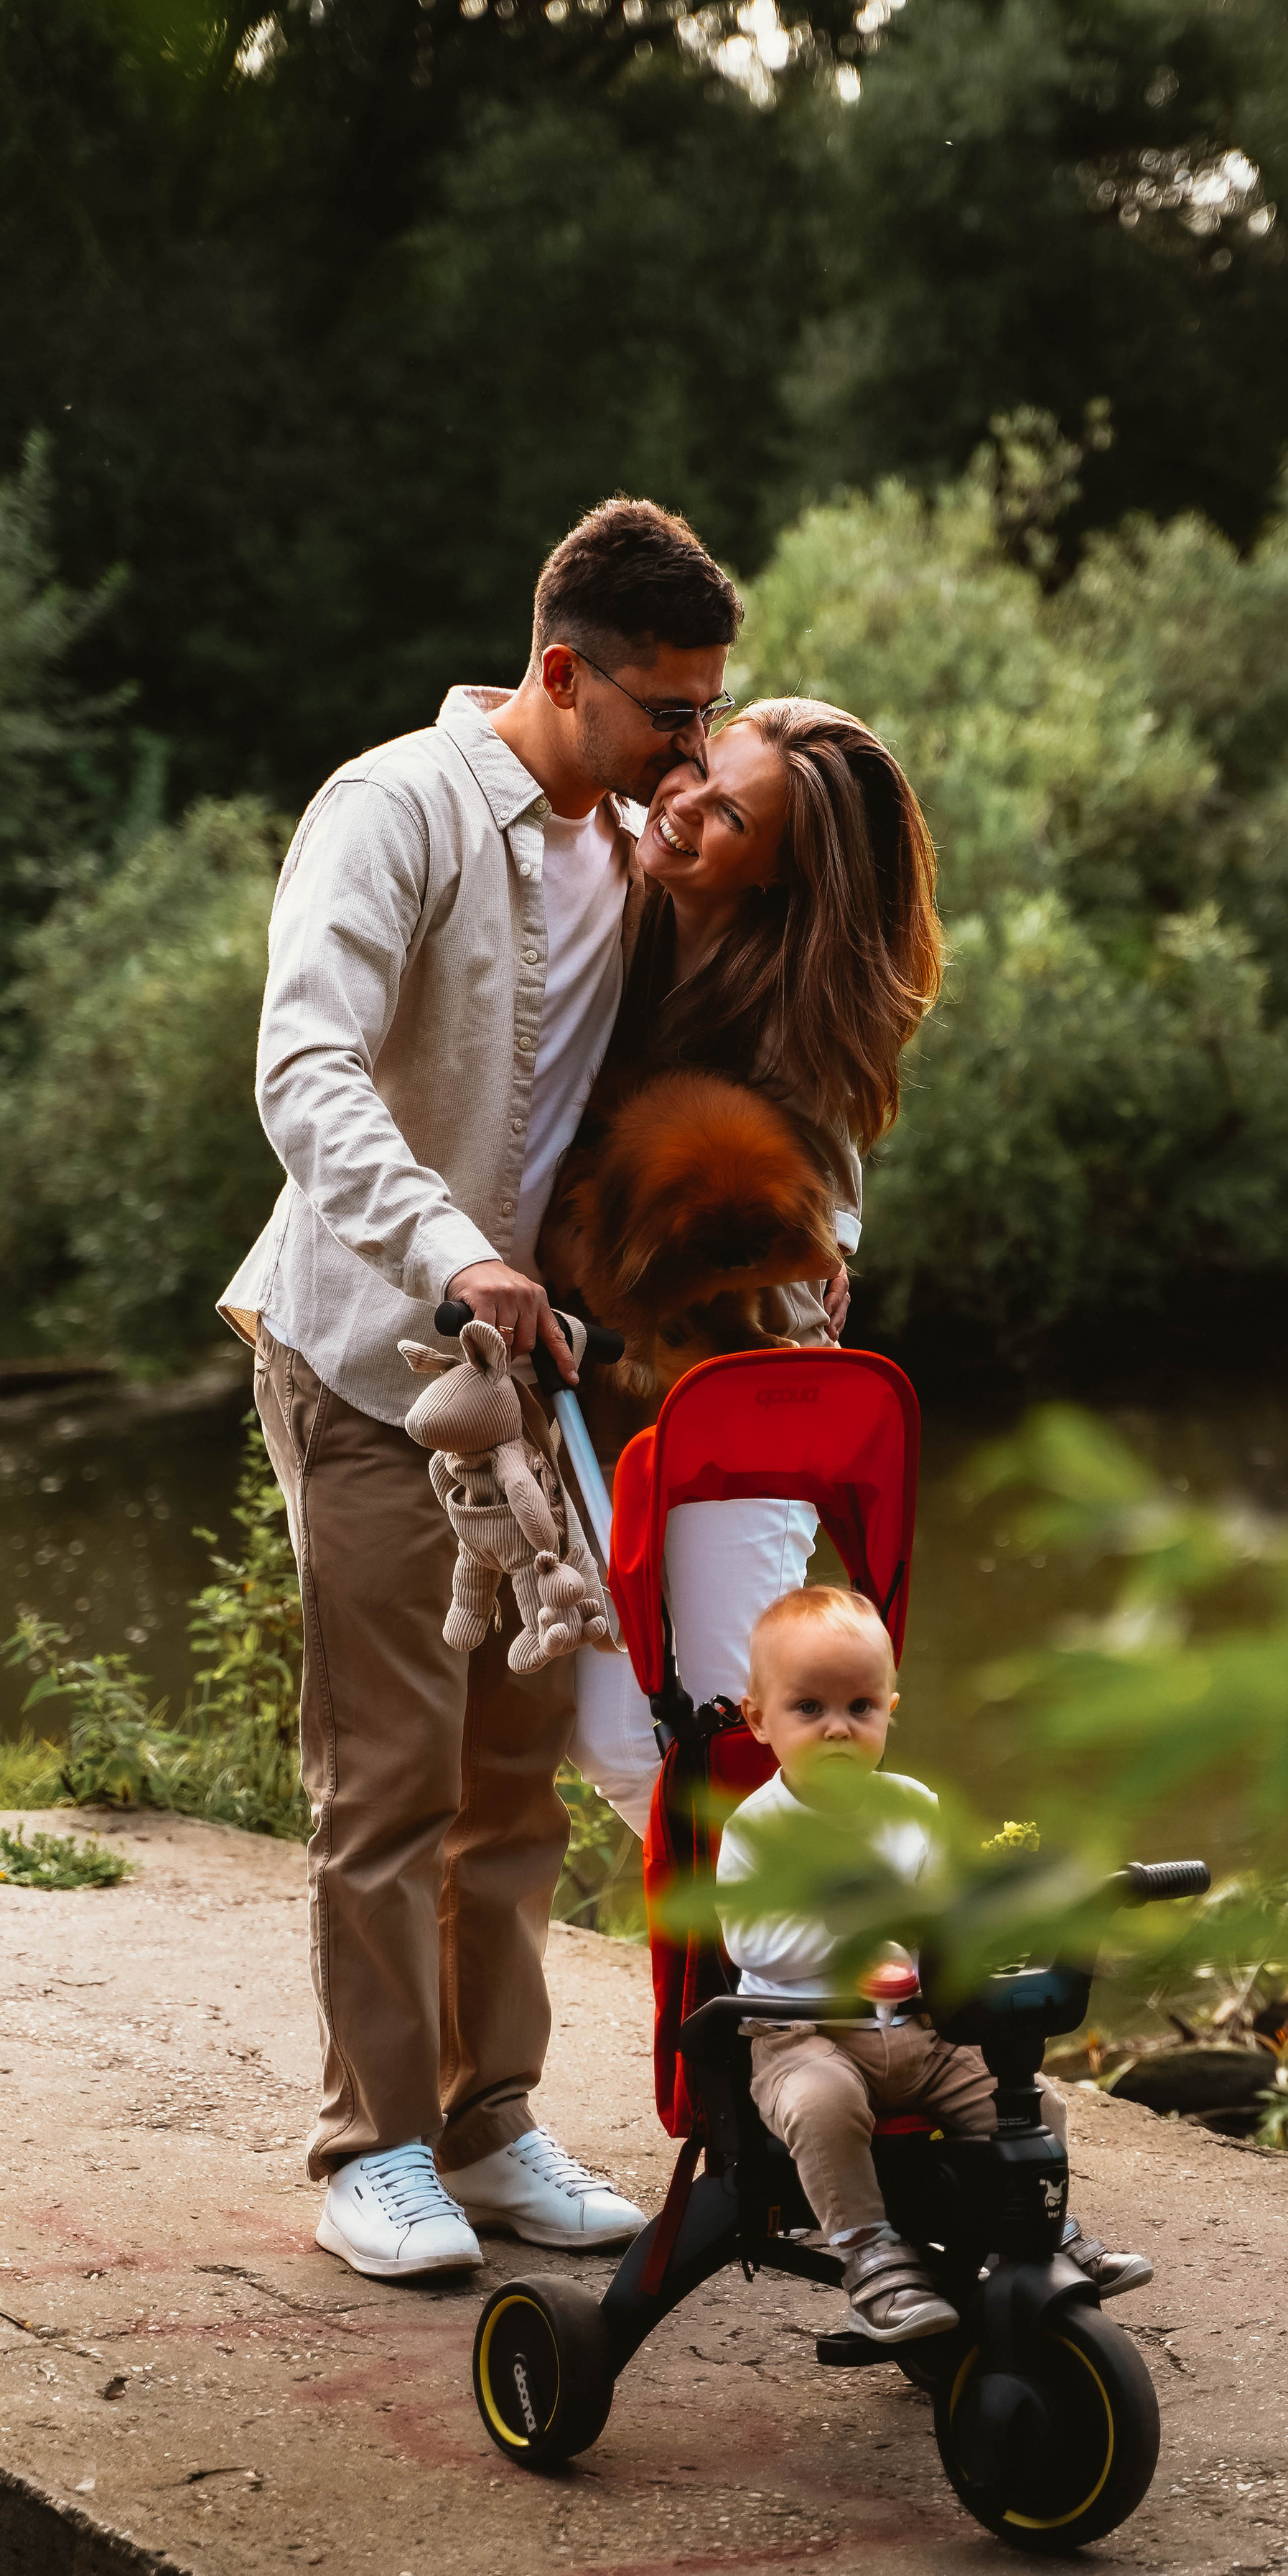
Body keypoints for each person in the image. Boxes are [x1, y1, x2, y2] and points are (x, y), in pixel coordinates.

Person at [218, 496, 742, 2281]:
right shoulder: (393, 807)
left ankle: (490, 2123)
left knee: (512, 1771)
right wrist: (449, 1251)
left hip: (535, 1387)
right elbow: (302, 1067)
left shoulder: (634, 849)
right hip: (370, 1350)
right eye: (670, 711)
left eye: (707, 714)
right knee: (392, 1774)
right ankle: (368, 2147)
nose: (695, 747)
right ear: (560, 670)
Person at [540, 698, 945, 1834]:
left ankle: (833, 1976)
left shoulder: (796, 1009)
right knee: (619, 1733)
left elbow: (823, 1200)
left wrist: (827, 1251)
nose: (682, 810)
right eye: (697, 776)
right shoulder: (617, 892)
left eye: (728, 820)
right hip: (601, 1383)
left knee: (738, 1729)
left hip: (743, 1389)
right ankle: (770, 1981)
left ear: (776, 876)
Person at [715, 1585, 1152, 2346]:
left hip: (918, 2031)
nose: (838, 1730)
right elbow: (751, 1942)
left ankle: (1035, 2232)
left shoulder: (912, 1807)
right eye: (809, 1709)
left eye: (859, 1708)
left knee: (1025, 2098)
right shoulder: (759, 1828)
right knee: (821, 2103)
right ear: (759, 1719)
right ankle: (868, 2259)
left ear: (889, 1707)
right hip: (802, 2035)